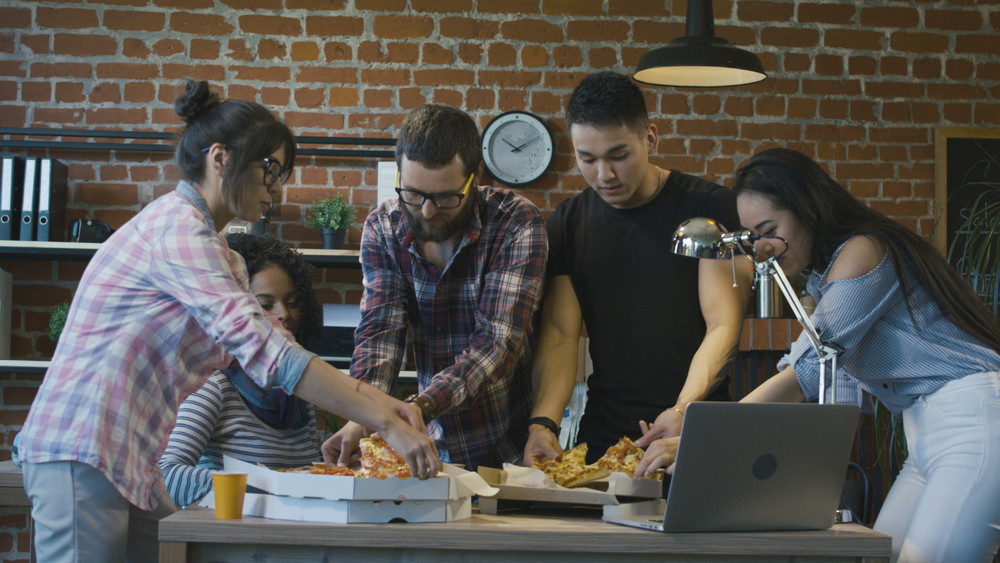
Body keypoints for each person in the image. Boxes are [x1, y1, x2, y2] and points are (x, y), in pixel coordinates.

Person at [16, 80, 439, 562]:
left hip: (127, 458)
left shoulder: (219, 253)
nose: (277, 189)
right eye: (270, 169)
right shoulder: (177, 231)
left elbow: (278, 345)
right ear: (220, 158)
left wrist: (390, 405)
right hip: (82, 446)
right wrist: (384, 422)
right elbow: (272, 356)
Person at [638, 147, 1000, 563]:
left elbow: (804, 374)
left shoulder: (864, 249)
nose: (762, 249)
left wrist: (699, 439)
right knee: (880, 555)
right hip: (925, 432)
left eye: (769, 229)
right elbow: (827, 386)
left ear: (807, 208)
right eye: (754, 235)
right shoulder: (827, 278)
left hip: (974, 422)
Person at [522, 71, 752, 466]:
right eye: (587, 158)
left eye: (618, 156)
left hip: (693, 430)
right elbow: (562, 335)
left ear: (650, 138)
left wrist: (683, 410)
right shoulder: (567, 223)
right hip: (604, 436)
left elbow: (723, 326)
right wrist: (543, 423)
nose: (604, 175)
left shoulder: (709, 209)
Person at [323, 103, 547, 470]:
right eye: (412, 194)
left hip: (512, 453)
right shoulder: (384, 228)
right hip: (431, 455)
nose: (426, 212)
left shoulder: (515, 222)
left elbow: (496, 342)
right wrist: (359, 417)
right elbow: (380, 333)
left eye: (445, 198)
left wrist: (422, 406)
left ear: (476, 175)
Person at [159, 233, 324, 507]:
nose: (285, 314)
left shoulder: (298, 393)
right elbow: (167, 475)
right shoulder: (215, 386)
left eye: (293, 302)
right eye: (265, 304)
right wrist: (262, 487)